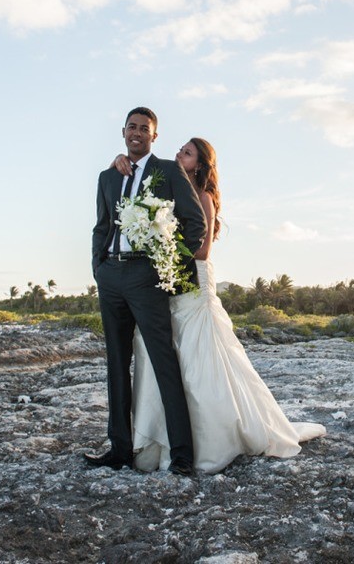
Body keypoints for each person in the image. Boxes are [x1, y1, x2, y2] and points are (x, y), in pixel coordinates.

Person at [121, 137, 326, 474]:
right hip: (170, 280)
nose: (178, 154)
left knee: (199, 356)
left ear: (199, 164)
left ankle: (212, 439)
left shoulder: (203, 198)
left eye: (186, 153)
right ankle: (162, 437)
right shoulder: (169, 193)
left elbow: (202, 251)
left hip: (194, 280)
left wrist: (164, 248)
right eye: (180, 150)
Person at [86, 107, 207, 476]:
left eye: (145, 129)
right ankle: (120, 448)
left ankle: (182, 455)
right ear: (124, 132)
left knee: (163, 362)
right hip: (111, 276)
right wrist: (98, 267)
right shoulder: (108, 176)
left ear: (155, 136)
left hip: (146, 275)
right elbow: (101, 226)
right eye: (132, 127)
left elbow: (195, 223)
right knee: (117, 365)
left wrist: (163, 264)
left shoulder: (167, 172)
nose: (137, 133)